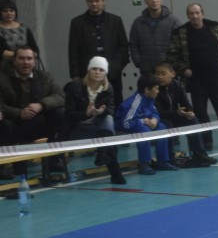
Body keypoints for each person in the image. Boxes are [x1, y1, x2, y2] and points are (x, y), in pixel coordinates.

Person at [166, 3, 218, 150]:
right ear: (188, 15)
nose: (195, 16)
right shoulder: (180, 33)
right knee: (200, 112)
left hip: (216, 77)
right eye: (191, 13)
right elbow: (172, 56)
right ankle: (206, 142)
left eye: (197, 13)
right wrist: (184, 70)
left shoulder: (215, 28)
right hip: (196, 80)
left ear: (202, 14)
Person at [0, 46, 65, 177]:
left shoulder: (45, 76)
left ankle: (52, 159)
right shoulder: (2, 78)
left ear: (35, 61)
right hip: (12, 124)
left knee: (60, 113)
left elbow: (60, 97)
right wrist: (19, 113)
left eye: (29, 59)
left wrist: (41, 105)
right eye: (21, 58)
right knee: (4, 125)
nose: (26, 62)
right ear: (14, 61)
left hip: (36, 122)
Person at [61, 56, 125, 184]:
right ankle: (114, 171)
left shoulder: (108, 88)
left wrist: (101, 112)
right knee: (108, 137)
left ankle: (103, 154)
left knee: (108, 120)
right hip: (78, 127)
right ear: (88, 70)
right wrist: (85, 114)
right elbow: (68, 114)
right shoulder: (74, 87)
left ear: (105, 73)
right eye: (94, 69)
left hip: (98, 125)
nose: (97, 72)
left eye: (101, 70)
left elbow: (110, 110)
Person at [68, 0, 129, 103]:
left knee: (115, 100)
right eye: (91, 1)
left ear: (103, 2)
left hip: (112, 71)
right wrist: (75, 75)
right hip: (87, 72)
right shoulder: (77, 23)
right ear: (87, 2)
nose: (94, 4)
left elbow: (123, 46)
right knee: (89, 101)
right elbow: (73, 50)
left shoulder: (115, 21)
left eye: (97, 1)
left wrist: (117, 67)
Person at [152, 62, 218, 167]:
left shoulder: (178, 85)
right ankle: (170, 158)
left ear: (172, 74)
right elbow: (158, 112)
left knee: (193, 120)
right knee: (167, 125)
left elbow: (185, 103)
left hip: (174, 115)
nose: (160, 77)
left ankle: (199, 154)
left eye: (163, 74)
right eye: (157, 74)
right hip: (159, 119)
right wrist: (176, 113)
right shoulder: (154, 89)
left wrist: (190, 112)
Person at [115, 74, 179, 175]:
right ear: (147, 90)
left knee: (162, 127)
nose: (158, 91)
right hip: (126, 126)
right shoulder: (134, 102)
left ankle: (162, 161)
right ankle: (144, 163)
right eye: (156, 89)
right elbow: (126, 123)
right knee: (144, 131)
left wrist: (155, 120)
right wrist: (144, 122)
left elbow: (155, 113)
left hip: (142, 124)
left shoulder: (150, 99)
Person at [129, 0, 183, 77]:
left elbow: (180, 44)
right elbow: (133, 44)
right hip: (147, 69)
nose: (154, 1)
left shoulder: (173, 20)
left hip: (168, 69)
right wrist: (139, 62)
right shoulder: (138, 22)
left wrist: (174, 64)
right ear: (146, 2)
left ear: (161, 0)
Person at [0, 0, 42, 67]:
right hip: (5, 66)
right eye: (5, 11)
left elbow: (35, 49)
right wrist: (22, 56)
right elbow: (1, 52)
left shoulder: (24, 27)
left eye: (11, 10)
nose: (9, 13)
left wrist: (30, 57)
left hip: (27, 65)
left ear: (15, 12)